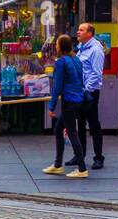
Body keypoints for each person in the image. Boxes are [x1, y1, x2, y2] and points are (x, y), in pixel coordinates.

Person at [42, 34, 87, 178]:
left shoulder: (61, 62)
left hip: (69, 101)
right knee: (58, 129)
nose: (55, 46)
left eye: (57, 44)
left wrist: (51, 106)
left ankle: (81, 168)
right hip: (79, 99)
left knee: (72, 133)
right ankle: (57, 165)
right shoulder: (77, 59)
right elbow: (81, 80)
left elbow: (57, 86)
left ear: (61, 47)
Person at [72, 23, 105, 170]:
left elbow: (97, 74)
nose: (78, 32)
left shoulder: (96, 50)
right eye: (78, 29)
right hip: (80, 91)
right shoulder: (81, 48)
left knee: (93, 124)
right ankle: (80, 155)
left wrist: (87, 90)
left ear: (90, 34)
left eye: (81, 30)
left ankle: (98, 157)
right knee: (80, 124)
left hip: (89, 92)